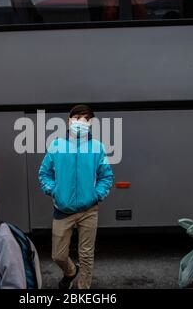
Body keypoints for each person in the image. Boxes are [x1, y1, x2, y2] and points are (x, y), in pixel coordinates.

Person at [39, 104, 114, 289]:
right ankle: (71, 271)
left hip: (89, 210)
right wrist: (53, 190)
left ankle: (83, 290)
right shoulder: (57, 145)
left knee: (87, 255)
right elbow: (44, 173)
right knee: (58, 255)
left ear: (91, 123)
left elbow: (106, 176)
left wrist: (97, 195)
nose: (82, 122)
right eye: (78, 117)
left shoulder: (97, 147)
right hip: (63, 209)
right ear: (69, 120)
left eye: (87, 119)